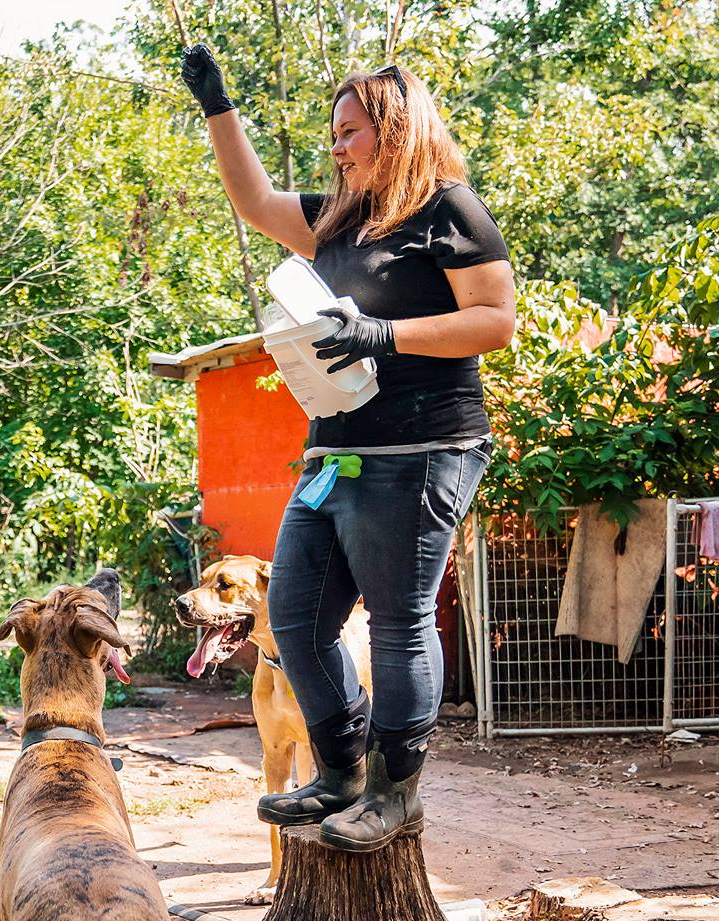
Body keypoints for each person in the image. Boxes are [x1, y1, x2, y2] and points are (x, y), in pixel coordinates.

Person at [180, 45, 515, 853]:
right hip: (336, 451)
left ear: (395, 131)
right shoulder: (336, 220)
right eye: (333, 133)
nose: (336, 146)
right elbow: (254, 199)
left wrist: (382, 333)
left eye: (350, 132)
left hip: (426, 447)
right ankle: (341, 772)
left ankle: (397, 789)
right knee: (293, 615)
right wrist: (217, 103)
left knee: (399, 623)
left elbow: (496, 321)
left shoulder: (449, 210)